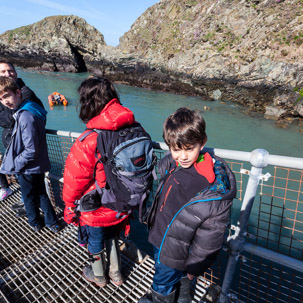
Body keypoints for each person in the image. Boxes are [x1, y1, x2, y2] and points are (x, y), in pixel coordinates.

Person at [139, 108, 237, 303]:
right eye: (176, 149)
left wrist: (194, 270)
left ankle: (159, 298)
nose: (182, 156)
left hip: (176, 250)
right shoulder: (173, 164)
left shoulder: (208, 183)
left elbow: (209, 237)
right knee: (174, 280)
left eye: (189, 148)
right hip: (162, 238)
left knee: (163, 283)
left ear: (203, 143)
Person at [63, 76, 135, 288]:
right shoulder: (132, 127)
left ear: (88, 103)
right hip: (122, 201)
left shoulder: (89, 138)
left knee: (95, 240)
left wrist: (69, 205)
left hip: (95, 207)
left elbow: (74, 179)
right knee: (112, 235)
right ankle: (116, 274)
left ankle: (99, 276)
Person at [0, 76, 61, 233]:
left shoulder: (25, 116)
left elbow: (30, 149)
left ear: (18, 92)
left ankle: (34, 222)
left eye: (6, 95)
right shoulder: (31, 108)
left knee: (29, 196)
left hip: (27, 167)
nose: (5, 101)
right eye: (0, 99)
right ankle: (52, 222)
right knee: (41, 193)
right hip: (38, 164)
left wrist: (16, 164)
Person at [0, 59, 45, 219]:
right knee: (27, 183)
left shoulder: (25, 92)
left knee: (34, 185)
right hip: (15, 147)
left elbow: (11, 119)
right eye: (3, 72)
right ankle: (29, 205)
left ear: (16, 72)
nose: (8, 74)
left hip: (27, 150)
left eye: (10, 71)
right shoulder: (5, 94)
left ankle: (34, 215)